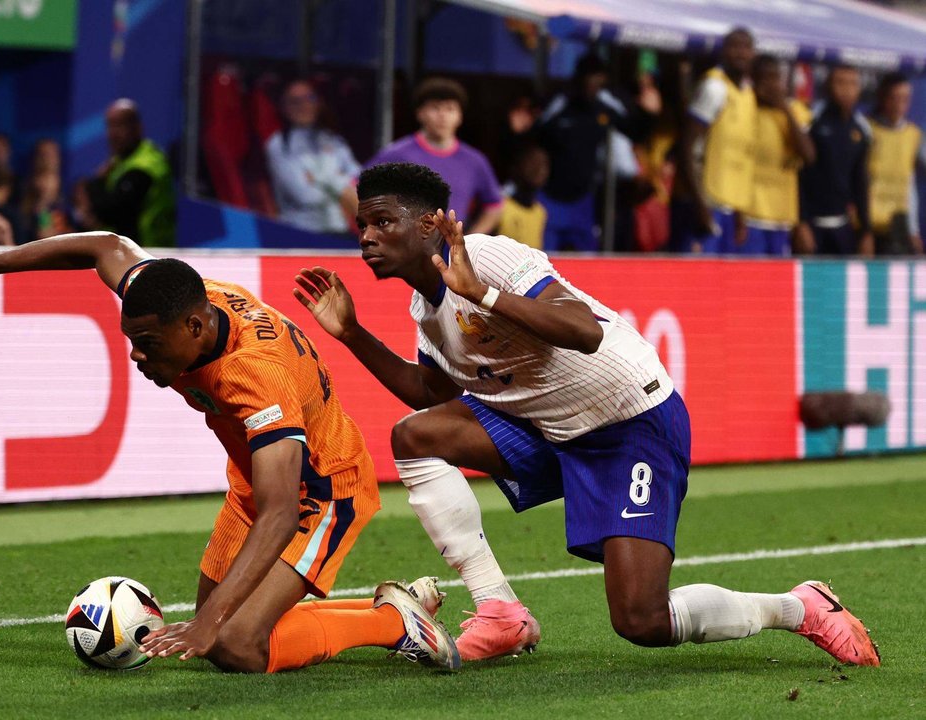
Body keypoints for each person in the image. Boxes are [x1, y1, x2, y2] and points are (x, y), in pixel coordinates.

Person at [294, 161, 880, 667]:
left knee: (642, 620)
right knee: (416, 435)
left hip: (631, 423)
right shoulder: (426, 305)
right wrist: (350, 333)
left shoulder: (491, 259)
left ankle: (799, 606)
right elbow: (429, 391)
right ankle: (500, 611)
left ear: (429, 225)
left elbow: (584, 333)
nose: (367, 237)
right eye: (362, 226)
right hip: (552, 430)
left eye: (382, 222)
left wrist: (483, 294)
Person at [0, 231, 459, 674]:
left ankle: (390, 624)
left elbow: (283, 510)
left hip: (322, 488)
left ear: (194, 326)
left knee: (234, 643)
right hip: (254, 481)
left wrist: (209, 622)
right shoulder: (168, 299)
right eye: (132, 342)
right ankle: (378, 610)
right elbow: (106, 247)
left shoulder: (255, 377)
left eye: (149, 345)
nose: (138, 357)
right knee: (217, 632)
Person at [536, 53, 660, 252]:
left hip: (583, 201)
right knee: (543, 261)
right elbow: (535, 134)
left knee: (586, 260)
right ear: (578, 79)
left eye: (597, 80)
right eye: (588, 78)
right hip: (551, 199)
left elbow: (634, 131)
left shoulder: (604, 108)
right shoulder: (561, 103)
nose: (592, 85)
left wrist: (649, 115)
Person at [349, 77, 502, 234]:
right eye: (435, 108)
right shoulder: (397, 154)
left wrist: (470, 241)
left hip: (451, 254)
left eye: (450, 109)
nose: (442, 115)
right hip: (406, 252)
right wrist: (379, 232)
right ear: (420, 114)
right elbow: (352, 191)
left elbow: (494, 206)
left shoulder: (475, 161)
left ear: (460, 116)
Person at [679, 28, 758, 254]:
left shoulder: (748, 93)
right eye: (734, 47)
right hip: (707, 203)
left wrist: (740, 210)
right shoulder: (714, 87)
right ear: (724, 51)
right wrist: (699, 204)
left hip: (731, 207)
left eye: (746, 48)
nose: (740, 54)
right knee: (696, 281)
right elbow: (687, 145)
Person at [265, 78, 361, 236]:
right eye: (295, 101)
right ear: (284, 107)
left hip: (342, 232)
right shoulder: (279, 144)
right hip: (301, 233)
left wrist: (319, 178)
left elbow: (359, 180)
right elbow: (307, 196)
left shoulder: (332, 139)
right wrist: (342, 183)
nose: (304, 106)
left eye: (310, 98)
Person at [797, 64, 873, 256]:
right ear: (828, 86)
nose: (847, 90)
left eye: (853, 84)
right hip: (812, 225)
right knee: (813, 283)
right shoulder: (811, 120)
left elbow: (860, 181)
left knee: (841, 283)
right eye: (840, 83)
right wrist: (801, 222)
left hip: (843, 226)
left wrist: (866, 231)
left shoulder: (862, 129)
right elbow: (798, 175)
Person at [743, 55, 814, 256]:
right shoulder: (747, 110)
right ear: (754, 81)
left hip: (782, 218)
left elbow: (808, 155)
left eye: (776, 78)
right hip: (751, 216)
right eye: (766, 78)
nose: (772, 84)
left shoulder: (795, 112)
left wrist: (784, 108)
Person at [86, 99, 176, 247]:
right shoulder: (121, 162)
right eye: (110, 126)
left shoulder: (146, 165)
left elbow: (112, 212)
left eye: (119, 125)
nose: (113, 134)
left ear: (137, 128)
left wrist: (96, 183)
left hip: (148, 254)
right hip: (127, 253)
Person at [866, 72, 925, 256]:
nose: (899, 105)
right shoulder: (867, 130)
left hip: (898, 226)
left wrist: (913, 230)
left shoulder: (914, 135)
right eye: (894, 98)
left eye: (905, 99)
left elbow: (910, 184)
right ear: (882, 98)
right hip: (869, 223)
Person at [498, 143, 549, 249]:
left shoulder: (540, 212)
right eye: (532, 162)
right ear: (517, 166)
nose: (540, 169)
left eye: (544, 164)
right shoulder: (500, 208)